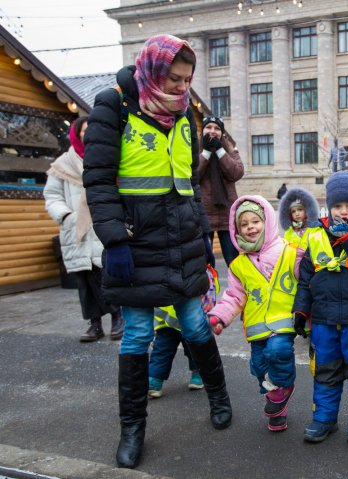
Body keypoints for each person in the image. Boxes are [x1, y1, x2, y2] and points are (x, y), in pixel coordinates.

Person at [83, 34, 232, 469]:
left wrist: (204, 235)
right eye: (174, 79)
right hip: (135, 241)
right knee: (137, 335)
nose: (181, 88)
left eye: (187, 80)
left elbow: (189, 182)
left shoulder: (185, 115)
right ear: (151, 70)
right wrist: (113, 239)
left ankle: (219, 397)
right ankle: (132, 429)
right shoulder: (112, 107)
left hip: (182, 237)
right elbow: (99, 180)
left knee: (195, 323)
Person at [292, 171, 348, 443]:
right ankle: (324, 418)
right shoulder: (315, 234)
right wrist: (300, 312)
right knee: (324, 371)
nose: (344, 212)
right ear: (328, 206)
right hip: (324, 320)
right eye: (338, 206)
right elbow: (305, 278)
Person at [207, 196, 302, 432]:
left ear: (267, 222)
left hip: (284, 321)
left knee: (278, 351)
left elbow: (306, 278)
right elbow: (234, 296)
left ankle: (283, 389)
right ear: (236, 229)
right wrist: (220, 316)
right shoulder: (238, 264)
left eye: (256, 221)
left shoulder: (288, 251)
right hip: (257, 326)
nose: (250, 227)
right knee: (259, 367)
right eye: (244, 224)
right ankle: (277, 409)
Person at [44, 116, 125, 342]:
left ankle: (118, 317)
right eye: (84, 131)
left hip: (102, 224)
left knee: (107, 273)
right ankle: (94, 324)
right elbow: (52, 196)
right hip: (77, 229)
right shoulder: (62, 164)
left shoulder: (107, 158)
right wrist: (67, 216)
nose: (89, 135)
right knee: (84, 278)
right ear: (77, 133)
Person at [148, 265, 221, 398]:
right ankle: (155, 379)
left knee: (167, 350)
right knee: (173, 350)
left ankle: (156, 380)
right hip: (175, 322)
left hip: (176, 321)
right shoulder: (199, 271)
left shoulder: (201, 272)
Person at [198, 115, 244, 267]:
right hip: (203, 217)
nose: (213, 131)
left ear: (222, 133)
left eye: (217, 128)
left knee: (234, 263)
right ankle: (206, 291)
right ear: (202, 130)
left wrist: (219, 151)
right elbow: (192, 175)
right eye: (208, 127)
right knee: (204, 263)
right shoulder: (193, 149)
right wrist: (205, 153)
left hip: (227, 217)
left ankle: (237, 291)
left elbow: (236, 173)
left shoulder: (230, 150)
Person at [278, 187, 320, 251]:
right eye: (293, 211)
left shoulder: (313, 230)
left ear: (306, 211)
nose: (297, 214)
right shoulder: (289, 232)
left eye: (300, 210)